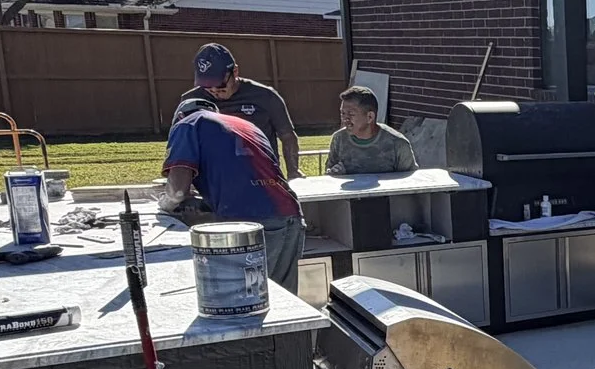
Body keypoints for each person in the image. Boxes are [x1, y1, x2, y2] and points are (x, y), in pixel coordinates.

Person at [162, 96, 305, 294]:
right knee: (284, 299)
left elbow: (177, 191)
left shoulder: (187, 123)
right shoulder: (245, 125)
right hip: (289, 212)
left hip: (246, 223)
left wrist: (165, 203)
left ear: (179, 116)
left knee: (247, 299)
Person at [175, 43, 300, 178]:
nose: (214, 90)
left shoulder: (265, 96)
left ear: (234, 72)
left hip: (261, 176)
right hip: (214, 179)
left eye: (220, 84)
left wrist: (293, 171)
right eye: (207, 85)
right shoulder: (190, 101)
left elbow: (287, 136)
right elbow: (180, 146)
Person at [325, 85, 417, 176]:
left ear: (370, 117)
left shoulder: (398, 144)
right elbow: (328, 176)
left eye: (351, 114)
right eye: (343, 113)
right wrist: (335, 174)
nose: (345, 119)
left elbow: (411, 181)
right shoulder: (339, 139)